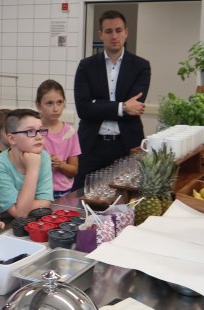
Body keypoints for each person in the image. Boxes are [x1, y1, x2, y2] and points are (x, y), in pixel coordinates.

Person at [72, 10, 150, 190]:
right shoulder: (86, 66)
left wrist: (97, 105)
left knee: (126, 196)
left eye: (118, 30)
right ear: (101, 34)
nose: (114, 36)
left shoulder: (141, 66)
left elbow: (135, 108)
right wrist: (122, 107)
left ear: (126, 32)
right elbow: (83, 108)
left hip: (127, 145)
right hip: (91, 144)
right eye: (108, 31)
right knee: (80, 195)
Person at [0, 109, 54, 219]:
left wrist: (18, 208)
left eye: (40, 130)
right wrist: (32, 169)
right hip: (1, 228)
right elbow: (21, 214)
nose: (39, 136)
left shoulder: (43, 157)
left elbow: (45, 202)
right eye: (30, 132)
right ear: (12, 139)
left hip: (33, 222)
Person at [36, 80, 81, 199]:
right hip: (37, 192)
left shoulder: (70, 132)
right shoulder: (33, 131)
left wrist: (60, 164)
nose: (55, 109)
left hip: (64, 192)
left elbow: (73, 171)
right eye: (49, 103)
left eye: (59, 102)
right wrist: (44, 161)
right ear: (38, 105)